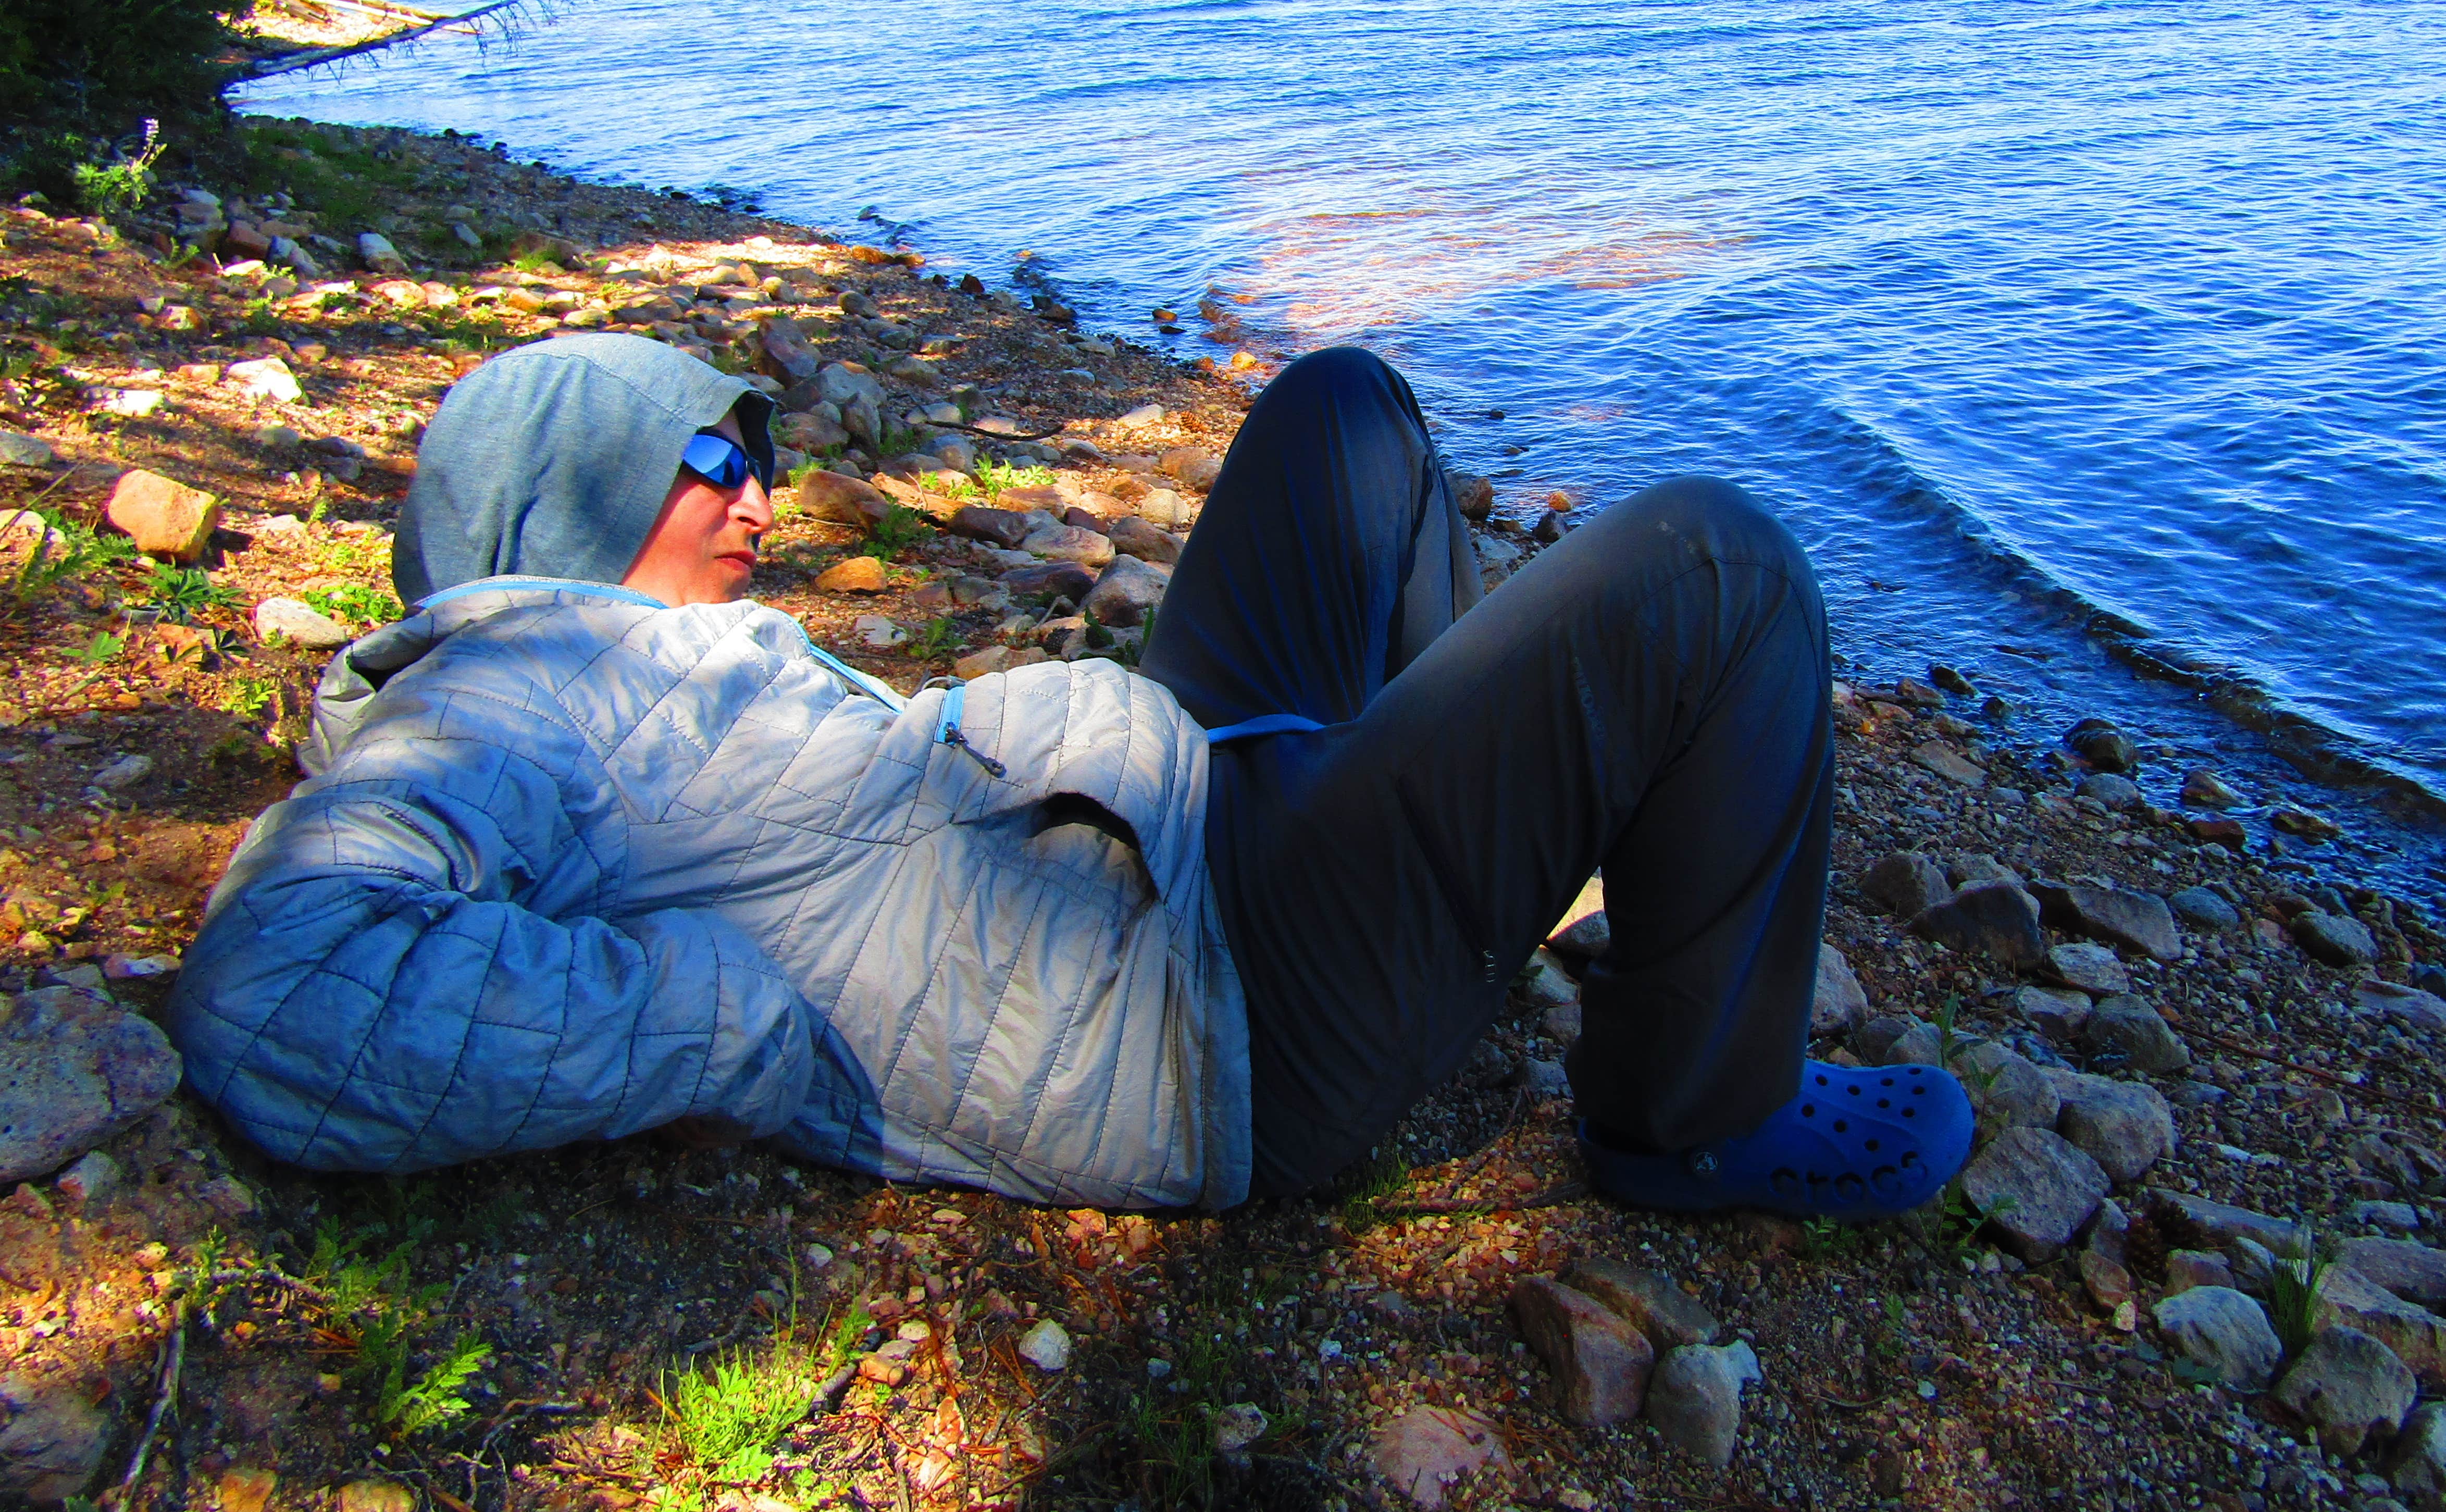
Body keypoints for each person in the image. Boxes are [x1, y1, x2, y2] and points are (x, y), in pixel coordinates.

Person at [174, 333, 1971, 1219]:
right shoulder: (499, 698)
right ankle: (1700, 1115)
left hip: (1179, 825)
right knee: (1715, 566)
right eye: (711, 451)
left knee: (1345, 411)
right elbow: (288, 990)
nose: (761, 490)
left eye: (761, 444)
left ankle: (1478, 850)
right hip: (1208, 1017)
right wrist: (732, 1022)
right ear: (558, 504)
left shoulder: (621, 669)